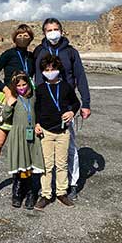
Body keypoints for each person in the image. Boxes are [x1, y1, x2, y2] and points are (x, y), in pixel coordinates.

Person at [33, 17, 91, 201]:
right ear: (44, 33)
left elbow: (80, 77)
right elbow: (30, 76)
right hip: (44, 108)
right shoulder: (39, 51)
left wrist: (86, 103)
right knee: (44, 149)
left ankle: (71, 184)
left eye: (55, 29)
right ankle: (45, 188)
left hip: (66, 107)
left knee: (71, 147)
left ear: (62, 30)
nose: (53, 33)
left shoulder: (71, 52)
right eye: (49, 30)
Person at [0, 24, 35, 200]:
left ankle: (19, 186)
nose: (23, 37)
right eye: (20, 34)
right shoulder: (8, 54)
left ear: (30, 37)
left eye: (26, 34)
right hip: (8, 100)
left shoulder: (31, 57)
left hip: (25, 103)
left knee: (22, 143)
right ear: (15, 37)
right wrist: (5, 90)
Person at [34, 55, 78, 210]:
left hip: (62, 132)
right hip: (46, 132)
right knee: (46, 165)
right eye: (47, 69)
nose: (50, 72)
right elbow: (36, 109)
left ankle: (61, 192)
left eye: (53, 69)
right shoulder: (40, 88)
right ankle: (46, 194)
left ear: (58, 69)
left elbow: (76, 103)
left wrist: (72, 112)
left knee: (61, 164)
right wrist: (36, 124)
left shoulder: (66, 87)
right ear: (43, 71)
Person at [1, 71, 44, 209]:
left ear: (28, 84)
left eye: (24, 84)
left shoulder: (33, 97)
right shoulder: (14, 98)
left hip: (32, 135)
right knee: (21, 162)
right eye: (18, 85)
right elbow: (5, 116)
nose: (21, 87)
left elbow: (39, 111)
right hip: (18, 135)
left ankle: (31, 193)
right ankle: (17, 192)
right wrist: (9, 105)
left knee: (32, 162)